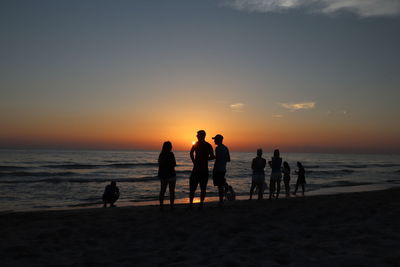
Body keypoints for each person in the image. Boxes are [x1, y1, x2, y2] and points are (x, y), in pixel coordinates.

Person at [189, 130, 215, 209]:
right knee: (202, 188)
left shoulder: (197, 144)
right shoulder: (208, 145)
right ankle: (200, 204)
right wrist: (205, 159)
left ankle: (192, 205)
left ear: (201, 136)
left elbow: (191, 153)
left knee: (194, 188)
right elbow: (212, 157)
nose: (196, 136)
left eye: (198, 135)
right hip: (203, 169)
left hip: (197, 169)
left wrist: (195, 162)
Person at [212, 134, 231, 204]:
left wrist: (213, 157)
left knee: (219, 186)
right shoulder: (226, 148)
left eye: (215, 139)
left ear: (218, 140)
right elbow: (228, 159)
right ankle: (226, 187)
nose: (214, 141)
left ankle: (221, 201)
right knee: (221, 184)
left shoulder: (217, 148)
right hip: (223, 169)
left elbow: (217, 159)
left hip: (218, 169)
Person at [158, 141, 177, 210]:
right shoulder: (171, 154)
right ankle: (171, 206)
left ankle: (161, 206)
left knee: (162, 190)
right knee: (171, 191)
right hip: (171, 174)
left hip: (163, 175)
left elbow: (160, 165)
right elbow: (174, 164)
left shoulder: (161, 155)